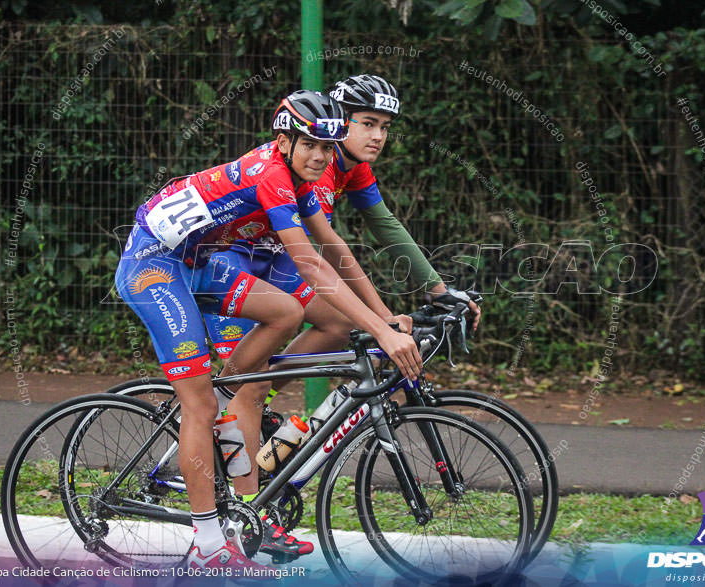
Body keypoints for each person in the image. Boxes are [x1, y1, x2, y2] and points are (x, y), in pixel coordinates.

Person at [115, 90, 422, 570]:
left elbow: (332, 246)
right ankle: (208, 547)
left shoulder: (300, 173)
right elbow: (312, 267)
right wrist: (383, 333)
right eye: (310, 146)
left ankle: (228, 391)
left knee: (286, 312)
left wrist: (382, 318)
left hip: (198, 261)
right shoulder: (272, 175)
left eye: (328, 147)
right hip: (154, 265)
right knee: (198, 403)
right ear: (283, 141)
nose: (321, 156)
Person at [204, 75, 480, 408]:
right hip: (232, 259)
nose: (378, 136)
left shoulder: (354, 166)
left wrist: (438, 292)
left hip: (273, 261)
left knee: (338, 325)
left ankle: (258, 404)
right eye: (367, 123)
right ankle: (225, 420)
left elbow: (385, 225)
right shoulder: (317, 165)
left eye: (385, 127)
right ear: (340, 121)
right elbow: (325, 253)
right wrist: (381, 321)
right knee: (248, 384)